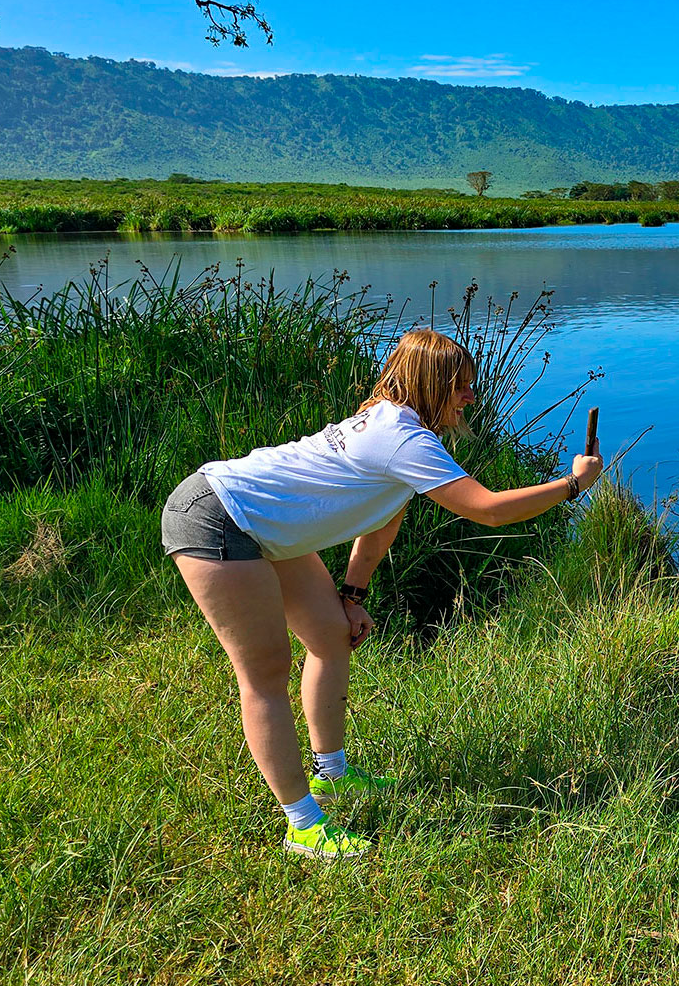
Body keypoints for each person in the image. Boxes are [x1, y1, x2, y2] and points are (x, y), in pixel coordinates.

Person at [160, 328, 603, 859]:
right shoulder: (403, 438)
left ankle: (332, 775)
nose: (470, 397)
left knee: (329, 634)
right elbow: (489, 509)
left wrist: (352, 593)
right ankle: (303, 825)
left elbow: (382, 522)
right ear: (429, 383)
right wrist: (573, 485)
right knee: (265, 672)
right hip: (218, 516)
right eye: (459, 385)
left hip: (264, 525)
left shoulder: (397, 425)